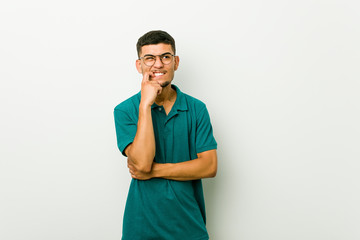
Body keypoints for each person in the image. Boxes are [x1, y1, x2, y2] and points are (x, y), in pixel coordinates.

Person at [113, 30, 217, 240]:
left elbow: (209, 166)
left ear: (176, 62)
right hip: (141, 228)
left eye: (165, 57)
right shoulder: (125, 110)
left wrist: (154, 171)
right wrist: (145, 105)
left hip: (189, 226)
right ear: (139, 65)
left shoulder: (197, 109)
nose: (158, 65)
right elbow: (142, 163)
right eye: (149, 58)